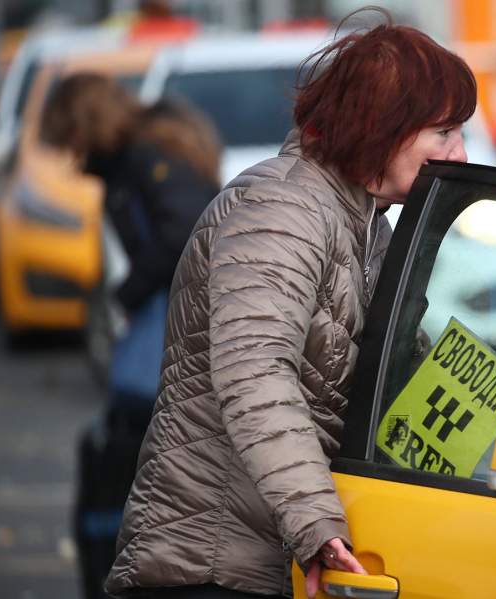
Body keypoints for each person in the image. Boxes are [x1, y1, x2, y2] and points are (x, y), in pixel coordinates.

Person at [102, 9, 475, 599]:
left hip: (258, 560)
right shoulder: (282, 209)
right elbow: (255, 372)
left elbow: (388, 372)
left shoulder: (363, 225)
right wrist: (316, 524)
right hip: (209, 563)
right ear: (384, 126)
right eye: (443, 133)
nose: (457, 154)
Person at [40, 74, 223, 599]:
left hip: (170, 325)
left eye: (70, 136)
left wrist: (126, 296)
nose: (70, 152)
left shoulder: (144, 157)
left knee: (131, 444)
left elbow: (182, 232)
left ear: (87, 123)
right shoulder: (149, 149)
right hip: (174, 324)